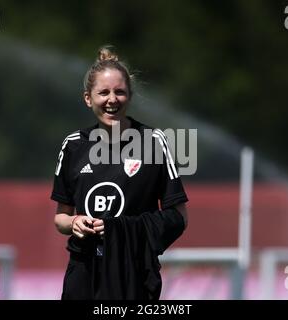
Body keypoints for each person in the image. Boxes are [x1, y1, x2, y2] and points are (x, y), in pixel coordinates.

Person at [50, 46, 189, 300]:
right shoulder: (73, 145)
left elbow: (179, 218)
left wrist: (120, 230)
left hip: (133, 274)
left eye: (120, 92)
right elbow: (61, 218)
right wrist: (75, 223)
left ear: (130, 96)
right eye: (103, 92)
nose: (112, 99)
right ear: (88, 98)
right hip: (84, 272)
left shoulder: (154, 142)